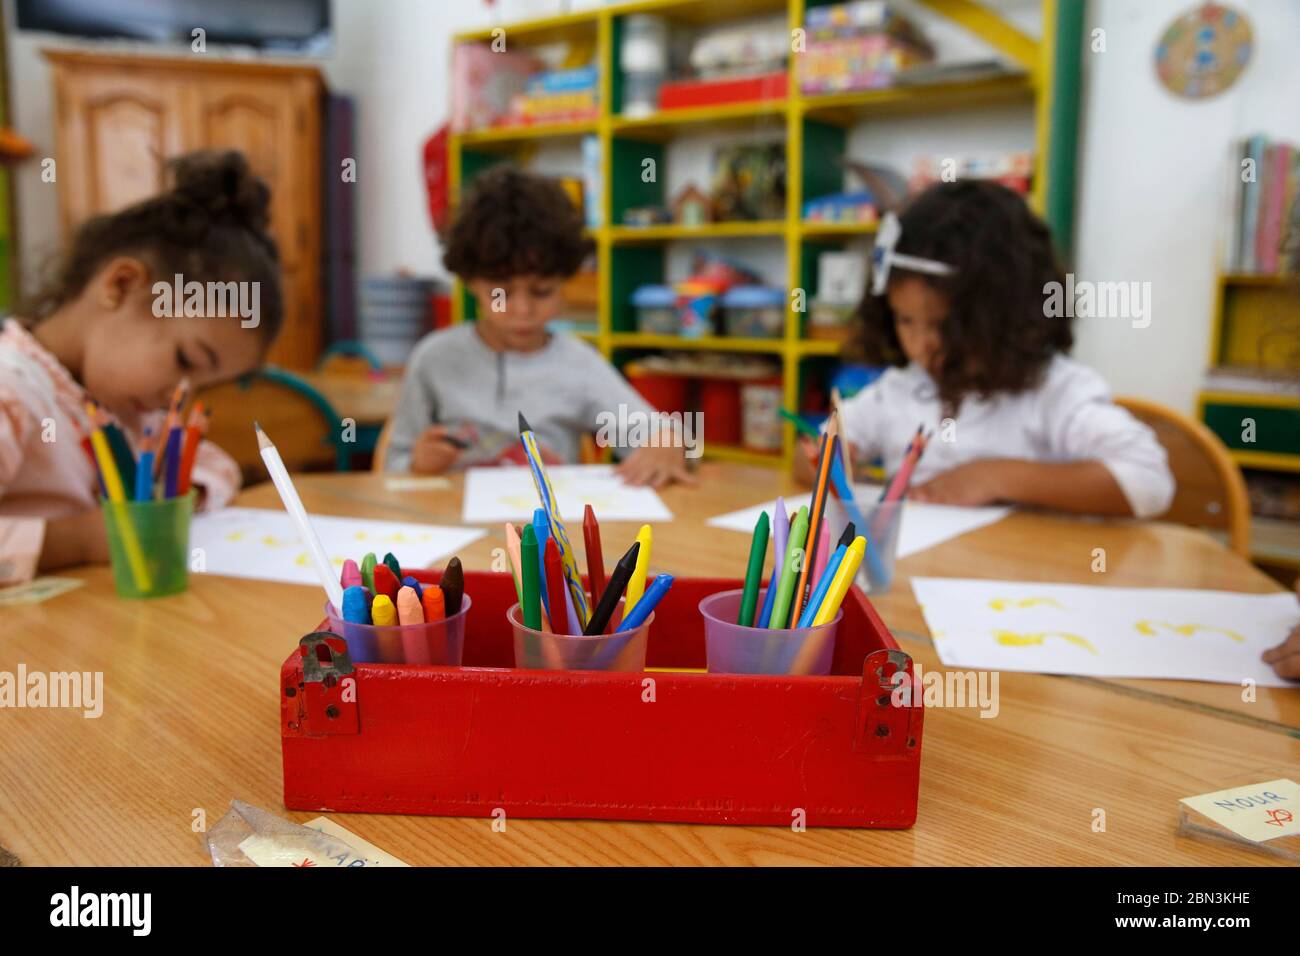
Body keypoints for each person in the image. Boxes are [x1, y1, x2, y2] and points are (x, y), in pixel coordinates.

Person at [797, 180, 1173, 519]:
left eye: (942, 325)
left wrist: (997, 476)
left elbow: (1148, 482)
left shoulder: (1052, 391)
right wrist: (824, 462)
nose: (920, 344)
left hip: (1023, 586)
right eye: (904, 320)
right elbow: (811, 459)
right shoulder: (899, 391)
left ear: (1008, 316)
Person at [0, 150, 282, 583]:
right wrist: (79, 540)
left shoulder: (131, 410)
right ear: (122, 285)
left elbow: (216, 465)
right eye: (185, 360)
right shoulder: (13, 390)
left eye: (205, 388)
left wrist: (179, 495)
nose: (181, 396)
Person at [385, 166, 693, 488]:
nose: (523, 310)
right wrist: (417, 463)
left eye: (542, 291)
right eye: (500, 293)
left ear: (564, 283)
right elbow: (392, 466)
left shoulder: (578, 363)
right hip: (452, 528)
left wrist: (667, 443)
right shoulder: (434, 359)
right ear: (470, 282)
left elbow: (656, 433)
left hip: (549, 531)